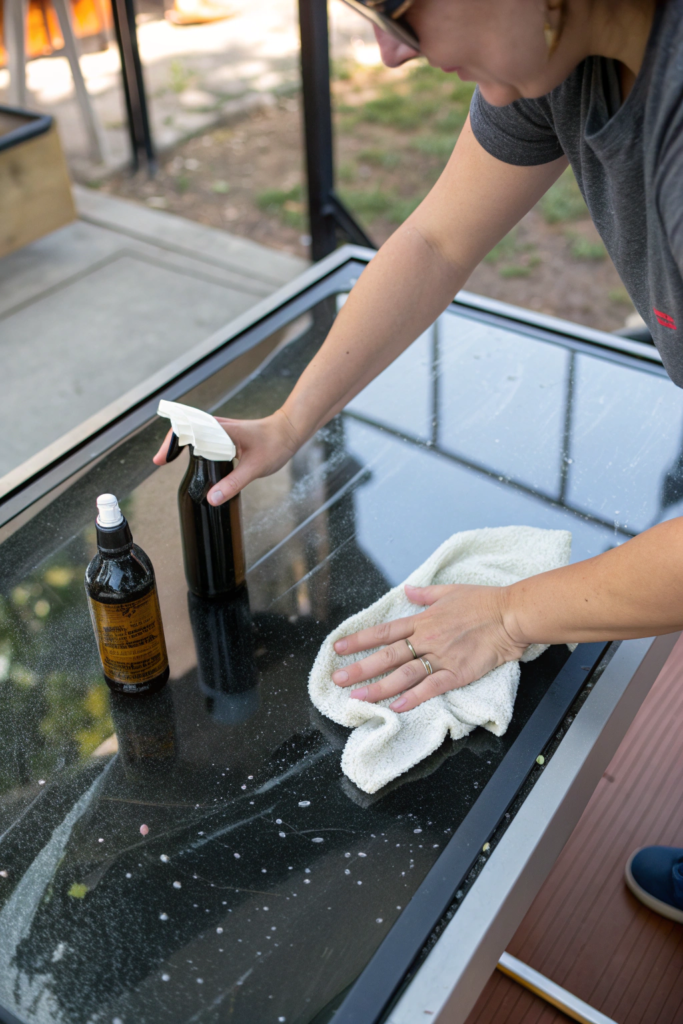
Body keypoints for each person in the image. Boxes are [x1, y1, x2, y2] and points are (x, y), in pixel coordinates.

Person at [155, 0, 683, 922]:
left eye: (397, 10)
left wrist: (511, 615)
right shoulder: (564, 57)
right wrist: (290, 419)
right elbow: (436, 240)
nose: (387, 54)